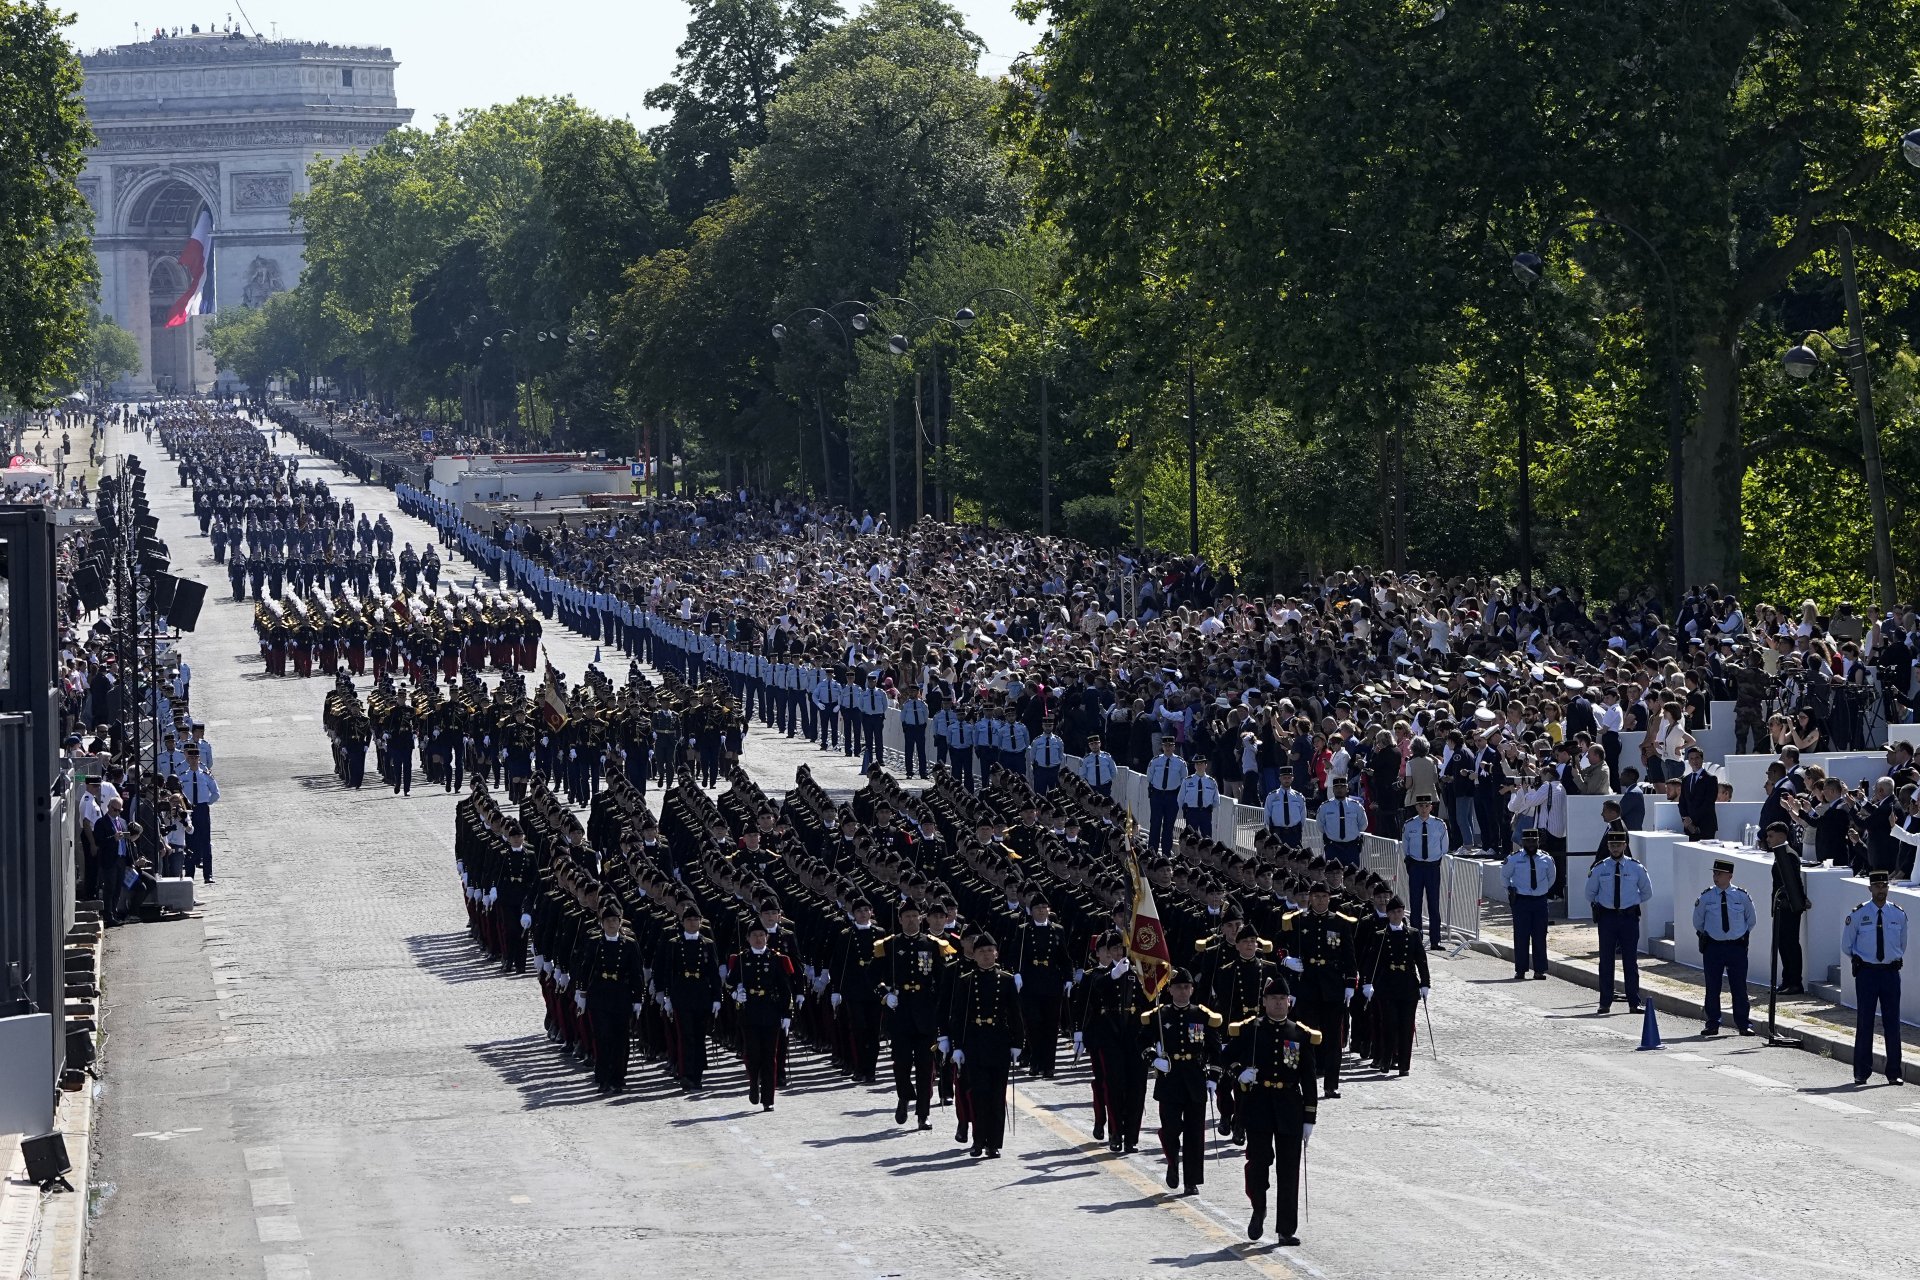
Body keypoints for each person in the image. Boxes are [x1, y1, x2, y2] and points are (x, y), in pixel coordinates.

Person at [1221, 976, 1318, 1246]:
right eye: (1273, 999)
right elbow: (1225, 1059)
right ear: (1263, 1002)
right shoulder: (1251, 1030)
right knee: (1257, 1164)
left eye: (1282, 999)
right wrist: (1239, 1073)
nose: (1278, 1003)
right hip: (1259, 1105)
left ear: (1289, 1001)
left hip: (1290, 1106)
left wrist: (1309, 1116)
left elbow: (1309, 1078)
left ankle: (1286, 1228)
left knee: (1289, 1171)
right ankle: (1258, 1207)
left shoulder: (1299, 1034)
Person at [1141, 968, 1222, 1195]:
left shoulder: (1202, 1015)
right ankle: (1172, 1161)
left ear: (1192, 989)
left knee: (1195, 1132)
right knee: (1171, 1129)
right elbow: (1142, 1041)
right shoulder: (1160, 1015)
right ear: (1170, 990)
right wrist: (1153, 1059)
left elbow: (1215, 1050)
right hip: (1170, 1078)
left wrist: (1213, 1078)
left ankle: (1191, 1180)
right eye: (1178, 987)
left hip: (1195, 1077)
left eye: (1186, 987)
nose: (1183, 991)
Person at [943, 932, 1024, 1158]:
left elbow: (1016, 1014)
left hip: (999, 1042)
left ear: (996, 953)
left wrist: (1018, 1042)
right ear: (974, 955)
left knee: (997, 1095)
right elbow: (957, 1016)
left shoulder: (1006, 980)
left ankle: (994, 1143)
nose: (986, 955)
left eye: (990, 951)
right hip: (975, 1043)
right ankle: (978, 1141)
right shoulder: (966, 981)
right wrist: (957, 1046)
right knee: (978, 1094)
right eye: (981, 952)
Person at [1841, 870, 1907, 1086]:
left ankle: (1894, 1072)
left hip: (1890, 973)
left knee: (1892, 1023)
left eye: (1884, 886)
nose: (1881, 890)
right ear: (1870, 888)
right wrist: (1864, 962)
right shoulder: (1859, 914)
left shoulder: (1898, 914)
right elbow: (1847, 945)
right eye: (1877, 887)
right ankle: (1862, 1072)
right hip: (1867, 973)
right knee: (1865, 1022)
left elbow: (1901, 945)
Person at [727, 918, 797, 1110]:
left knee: (770, 1056)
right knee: (752, 1054)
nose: (758, 939)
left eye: (761, 935)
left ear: (767, 937)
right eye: (754, 935)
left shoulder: (776, 959)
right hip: (749, 1013)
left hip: (770, 1011)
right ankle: (753, 1084)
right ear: (748, 938)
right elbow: (729, 983)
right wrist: (735, 993)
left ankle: (768, 1099)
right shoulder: (742, 959)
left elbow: (785, 989)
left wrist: (787, 1014)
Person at [576, 903, 644, 1095]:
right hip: (600, 995)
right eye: (608, 921)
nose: (612, 924)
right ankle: (603, 1077)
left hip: (621, 996)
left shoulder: (629, 944)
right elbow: (585, 967)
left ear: (620, 922)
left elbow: (636, 972)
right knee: (603, 1037)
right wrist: (581, 993)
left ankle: (618, 1077)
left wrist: (637, 998)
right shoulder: (595, 943)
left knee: (621, 1039)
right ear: (602, 923)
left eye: (615, 920)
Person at [1584, 829, 1652, 1014]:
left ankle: (1633, 1002)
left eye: (1618, 845)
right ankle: (1605, 1002)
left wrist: (1630, 901)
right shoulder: (1600, 868)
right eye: (1612, 845)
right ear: (1608, 846)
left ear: (1624, 846)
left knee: (1630, 961)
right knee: (1606, 961)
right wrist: (1604, 904)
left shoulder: (1636, 867)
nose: (1615, 848)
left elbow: (1647, 892)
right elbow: (1589, 893)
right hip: (1607, 918)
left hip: (1629, 918)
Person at [1690, 857, 1757, 1036]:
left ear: (1730, 875)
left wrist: (1738, 935)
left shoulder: (1741, 896)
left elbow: (1751, 920)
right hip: (1714, 947)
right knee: (1712, 986)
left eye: (1719, 873)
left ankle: (1743, 1024)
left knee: (1739, 987)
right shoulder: (1706, 896)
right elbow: (1698, 922)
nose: (1715, 876)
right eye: (1714, 873)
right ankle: (1712, 1023)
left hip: (1736, 947)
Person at [1364, 896, 1431, 1076]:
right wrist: (1367, 983)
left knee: (1406, 1026)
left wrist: (1425, 984)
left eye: (1399, 912)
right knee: (1389, 1024)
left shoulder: (1413, 934)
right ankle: (1386, 1060)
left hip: (1408, 985)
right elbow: (1372, 962)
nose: (1396, 915)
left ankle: (1404, 1065)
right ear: (1388, 914)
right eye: (1393, 912)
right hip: (1387, 986)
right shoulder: (1381, 935)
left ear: (1403, 913)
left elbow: (1421, 961)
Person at [1503, 827, 1555, 978]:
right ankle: (1520, 970)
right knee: (1521, 936)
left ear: (1538, 841)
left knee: (1540, 936)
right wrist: (1511, 891)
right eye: (1528, 841)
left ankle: (1539, 970)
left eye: (1534, 841)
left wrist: (1541, 890)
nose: (1531, 844)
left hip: (1540, 901)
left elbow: (1551, 878)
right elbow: (1504, 877)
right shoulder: (1514, 859)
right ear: (1522, 842)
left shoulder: (1546, 859)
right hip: (1521, 901)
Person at [1765, 820, 1810, 995]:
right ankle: (1786, 980)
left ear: (1782, 835)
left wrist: (1801, 900)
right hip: (1782, 906)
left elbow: (1793, 881)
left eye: (1771, 836)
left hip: (1789, 907)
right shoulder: (1781, 853)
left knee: (1790, 944)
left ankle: (1795, 982)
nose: (1768, 839)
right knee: (1783, 944)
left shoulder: (1788, 854)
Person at [1400, 797, 1448, 950]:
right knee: (1416, 903)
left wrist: (1436, 858)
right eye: (1420, 806)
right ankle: (1417, 939)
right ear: (1416, 807)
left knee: (1434, 904)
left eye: (1426, 805)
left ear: (1431, 807)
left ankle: (1435, 940)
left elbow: (1444, 846)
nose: (1423, 809)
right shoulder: (1409, 824)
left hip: (1432, 867)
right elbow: (1405, 846)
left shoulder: (1439, 824)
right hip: (1416, 866)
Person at [179, 743, 220, 883]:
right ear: (188, 759)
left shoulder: (205, 775)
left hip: (202, 809)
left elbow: (215, 792)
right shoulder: (183, 775)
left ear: (199, 758)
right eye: (191, 758)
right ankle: (189, 874)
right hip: (189, 809)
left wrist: (206, 803)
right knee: (190, 841)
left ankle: (208, 875)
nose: (194, 760)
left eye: (196, 757)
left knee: (205, 842)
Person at [1146, 738, 1189, 858]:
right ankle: (1152, 852)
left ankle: (1166, 853)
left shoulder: (1180, 762)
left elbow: (1184, 779)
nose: (1168, 748)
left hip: (1172, 796)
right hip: (1157, 795)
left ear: (1174, 747)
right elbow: (1149, 777)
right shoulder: (1155, 760)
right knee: (1155, 823)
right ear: (1162, 747)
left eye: (1170, 745)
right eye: (1166, 745)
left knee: (1168, 826)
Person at [1316, 775, 1368, 866]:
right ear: (1333, 790)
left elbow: (1363, 825)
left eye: (1342, 787)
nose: (1339, 790)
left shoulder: (1356, 806)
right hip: (1333, 848)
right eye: (1337, 787)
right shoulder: (1325, 807)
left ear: (1347, 789)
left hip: (1351, 848)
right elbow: (1320, 826)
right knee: (1333, 877)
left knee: (1351, 877)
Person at [1677, 747, 1720, 840]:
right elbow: (1682, 802)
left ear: (1702, 759)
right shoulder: (1686, 779)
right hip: (1689, 828)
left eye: (1697, 758)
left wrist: (1692, 821)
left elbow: (1708, 802)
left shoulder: (1711, 779)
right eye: (1691, 758)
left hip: (1705, 826)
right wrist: (1686, 821)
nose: (1694, 761)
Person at [1262, 764, 1307, 847]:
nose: (1287, 780)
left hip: (1294, 834)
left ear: (1292, 779)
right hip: (1278, 833)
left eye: (1289, 778)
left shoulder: (1298, 797)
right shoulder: (1272, 796)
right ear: (1280, 779)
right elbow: (1267, 816)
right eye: (1284, 778)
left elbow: (1303, 817)